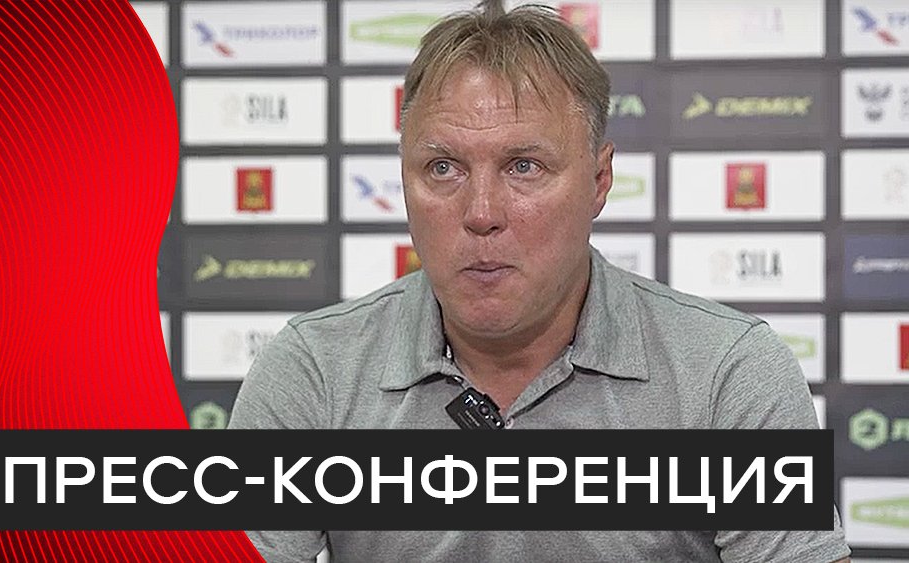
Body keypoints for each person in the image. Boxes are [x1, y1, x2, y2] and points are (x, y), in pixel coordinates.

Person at [229, 2, 851, 561]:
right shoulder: (315, 368)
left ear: (599, 181)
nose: (481, 213)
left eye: (523, 166)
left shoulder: (725, 372)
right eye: (442, 168)